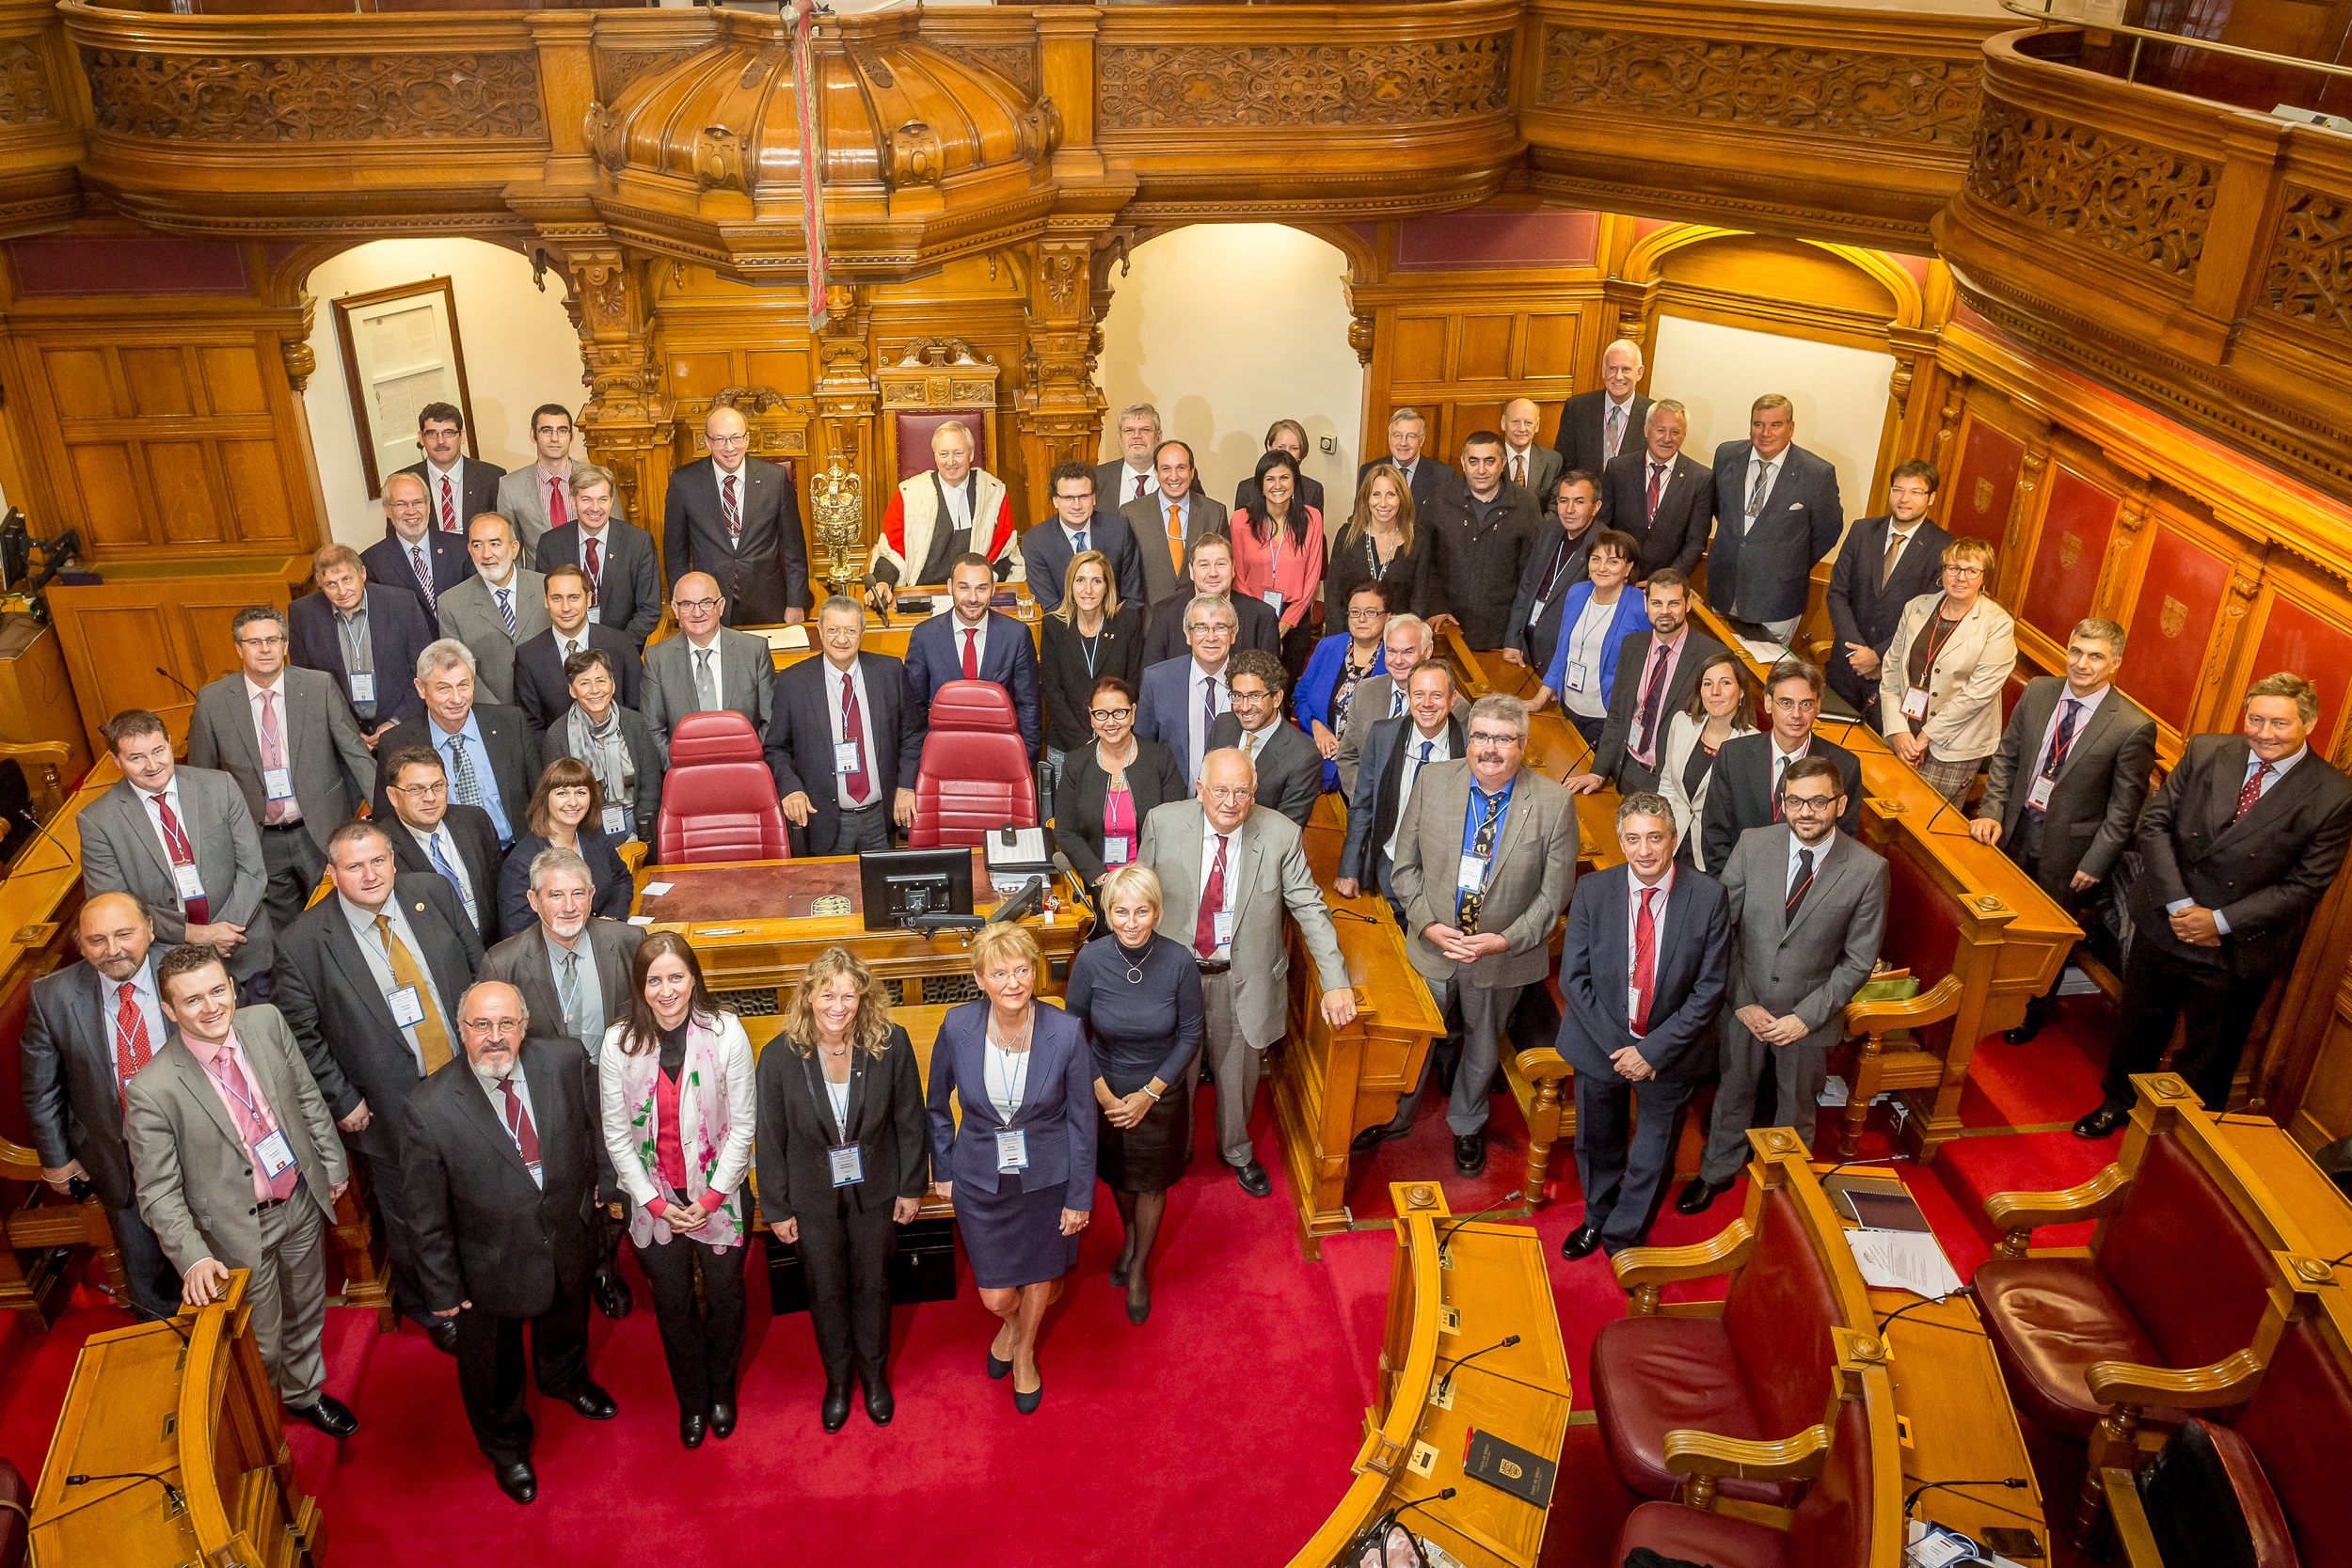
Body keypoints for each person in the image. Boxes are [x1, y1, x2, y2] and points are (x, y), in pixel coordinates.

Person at [2075, 673, 2352, 1137]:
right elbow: (2154, 825)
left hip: (2238, 946)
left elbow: (2305, 886)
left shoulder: (2334, 793)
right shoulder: (2206, 750)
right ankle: (2117, 1103)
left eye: (2279, 723)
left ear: (2310, 722)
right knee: (2139, 1027)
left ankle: (2181, 1141)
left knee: (2212, 1053)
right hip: (2166, 919)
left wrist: (2218, 922)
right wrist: (2182, 906)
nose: (2264, 732)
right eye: (2256, 718)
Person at [126, 943, 355, 1435]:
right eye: (192, 1001)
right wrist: (191, 1257)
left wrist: (331, 1164)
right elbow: (157, 1192)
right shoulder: (152, 1089)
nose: (211, 1008)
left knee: (307, 1312)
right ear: (168, 1009)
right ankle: (259, 1429)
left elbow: (305, 1096)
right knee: (261, 1340)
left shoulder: (266, 1022)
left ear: (232, 986)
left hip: (299, 1200)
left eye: (217, 990)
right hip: (233, 1235)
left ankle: (304, 1394)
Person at [273, 819, 483, 1352]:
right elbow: (301, 1034)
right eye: (354, 866)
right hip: (389, 1103)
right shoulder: (302, 942)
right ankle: (436, 1306)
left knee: (479, 1188)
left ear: (394, 860)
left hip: (468, 1080)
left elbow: (477, 968)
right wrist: (343, 1098)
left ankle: (483, 1283)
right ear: (332, 872)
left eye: (379, 861)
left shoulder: (432, 893)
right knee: (415, 1210)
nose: (370, 875)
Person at [403, 980, 615, 1503]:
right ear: (461, 1029)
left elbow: (597, 1133)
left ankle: (565, 1379)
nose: (494, 1038)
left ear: (524, 1027)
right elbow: (425, 1216)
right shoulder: (428, 1108)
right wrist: (443, 1290)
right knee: (491, 1367)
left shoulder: (565, 1061)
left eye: (505, 1025)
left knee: (567, 1316)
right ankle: (506, 1446)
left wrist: (602, 1200)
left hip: (567, 1234)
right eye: (481, 1025)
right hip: (487, 1266)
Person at [1136, 748, 1356, 1196]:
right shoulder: (1162, 823)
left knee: (1238, 1078)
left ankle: (1235, 1150)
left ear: (1254, 793)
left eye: (1241, 792)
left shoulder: (1280, 834)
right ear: (1200, 790)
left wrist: (1335, 981)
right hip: (1177, 977)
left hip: (1244, 977)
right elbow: (1141, 898)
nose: (1230, 802)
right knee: (1174, 1073)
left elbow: (1310, 909)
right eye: (1220, 790)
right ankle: (1175, 1148)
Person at [1681, 757, 1888, 1213]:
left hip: (1808, 1016)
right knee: (1733, 1092)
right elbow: (1723, 933)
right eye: (1795, 801)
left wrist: (1805, 1019)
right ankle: (1715, 1172)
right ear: (1782, 803)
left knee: (1796, 1109)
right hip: (1745, 1003)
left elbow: (1858, 961)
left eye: (1818, 801)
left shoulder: (1868, 869)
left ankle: (1783, 1192)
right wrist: (1741, 1002)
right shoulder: (1753, 844)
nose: (1806, 812)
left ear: (1840, 803)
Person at [1390, 694, 1578, 1170]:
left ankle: (1467, 1123)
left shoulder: (1554, 805)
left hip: (1501, 954)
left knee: (1483, 1041)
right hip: (1433, 944)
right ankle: (1396, 1115)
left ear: (1523, 744)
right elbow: (1404, 867)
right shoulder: (1433, 781)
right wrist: (1428, 924)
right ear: (1467, 739)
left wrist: (1506, 939)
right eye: (1480, 736)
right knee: (1418, 1037)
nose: (1489, 748)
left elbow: (1553, 898)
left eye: (1502, 738)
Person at [925, 924, 1095, 1413]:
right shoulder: (957, 1026)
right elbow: (937, 1105)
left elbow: (1083, 1122)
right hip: (978, 1175)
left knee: (1041, 1271)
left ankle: (1023, 1352)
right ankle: (1012, 1325)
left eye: (1022, 969)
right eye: (999, 973)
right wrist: (944, 1166)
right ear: (980, 979)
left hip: (1048, 1176)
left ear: (1035, 972)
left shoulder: (1065, 1031)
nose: (1013, 982)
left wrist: (1079, 1196)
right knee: (996, 1294)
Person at [756, 946, 926, 1431]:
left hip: (876, 1190)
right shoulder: (779, 1056)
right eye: (827, 993)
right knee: (825, 1289)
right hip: (810, 1198)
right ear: (808, 996)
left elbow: (910, 1121)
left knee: (874, 1286)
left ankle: (874, 1377)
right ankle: (837, 1379)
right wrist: (777, 1207)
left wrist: (912, 1186)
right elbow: (769, 1138)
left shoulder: (890, 1043)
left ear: (862, 998)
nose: (838, 1005)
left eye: (848, 994)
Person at [1556, 793, 1729, 1260]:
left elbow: (1709, 989)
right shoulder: (1594, 890)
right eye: (1633, 839)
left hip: (1671, 1050)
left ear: (1673, 838)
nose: (1645, 850)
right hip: (1601, 1043)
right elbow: (1575, 978)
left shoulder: (1709, 895)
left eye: (1655, 837)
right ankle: (1595, 1217)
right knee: (1596, 1140)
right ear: (1620, 842)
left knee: (1652, 1154)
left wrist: (1651, 1052)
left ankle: (1623, 1237)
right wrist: (1622, 1048)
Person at [599, 934, 754, 1449]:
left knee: (727, 1297)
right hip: (653, 1204)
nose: (667, 991)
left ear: (693, 978)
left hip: (721, 1196)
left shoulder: (727, 1031)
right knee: (673, 1304)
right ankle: (692, 1400)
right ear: (640, 987)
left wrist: (709, 1200)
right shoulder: (619, 1042)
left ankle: (721, 1392)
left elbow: (743, 1126)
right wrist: (658, 1203)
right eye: (655, 980)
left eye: (676, 977)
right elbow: (618, 1138)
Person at [1971, 618, 2156, 1043]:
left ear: (2115, 663)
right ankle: (1982, 997)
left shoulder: (2132, 726)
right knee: (1995, 918)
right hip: (2011, 830)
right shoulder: (2039, 691)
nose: (2082, 664)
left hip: (2070, 852)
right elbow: (2007, 758)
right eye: (2076, 651)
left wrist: (2096, 863)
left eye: (2095, 657)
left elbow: (2123, 810)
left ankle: (2030, 1008)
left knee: (2045, 935)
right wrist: (1992, 810)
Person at [480, 847, 643, 1323]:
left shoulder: (628, 941)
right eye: (555, 895)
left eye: (577, 894)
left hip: (618, 1089)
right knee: (572, 1188)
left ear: (593, 895)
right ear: (533, 900)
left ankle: (614, 1263)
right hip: (550, 1101)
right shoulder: (504, 962)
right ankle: (591, 1268)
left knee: (619, 1177)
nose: (568, 906)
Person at [21, 894, 183, 1320]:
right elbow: (41, 1089)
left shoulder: (188, 968)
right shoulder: (51, 997)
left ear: (149, 928)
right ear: (79, 943)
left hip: (199, 1139)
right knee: (148, 1276)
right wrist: (56, 1160)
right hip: (116, 1153)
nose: (112, 950)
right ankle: (167, 1350)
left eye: (124, 934)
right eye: (97, 940)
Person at [186, 605, 374, 938]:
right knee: (287, 935)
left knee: (343, 922)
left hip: (321, 830)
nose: (265, 649)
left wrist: (386, 815)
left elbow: (355, 754)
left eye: (273, 640)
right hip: (259, 839)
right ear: (238, 649)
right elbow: (202, 781)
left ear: (286, 645)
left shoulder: (319, 686)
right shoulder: (213, 701)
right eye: (255, 642)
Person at [1067, 865, 1201, 1325]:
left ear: (1156, 912)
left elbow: (1189, 1036)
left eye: (1141, 911)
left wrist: (1149, 1094)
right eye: (1120, 911)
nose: (1130, 921)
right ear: (1107, 912)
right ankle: (1130, 1240)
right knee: (1120, 1178)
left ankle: (1139, 1265)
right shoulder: (1090, 960)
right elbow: (1074, 1033)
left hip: (1161, 1091)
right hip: (1105, 1086)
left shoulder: (1180, 961)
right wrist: (1103, 1094)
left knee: (1151, 1182)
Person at [81, 708, 274, 993]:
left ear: (170, 743)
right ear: (116, 761)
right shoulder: (97, 821)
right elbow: (115, 909)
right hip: (171, 962)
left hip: (245, 949)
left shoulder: (220, 786)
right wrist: (198, 935)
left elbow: (252, 870)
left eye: (158, 751)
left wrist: (226, 931)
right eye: (136, 758)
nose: (152, 765)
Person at [765, 594, 919, 856]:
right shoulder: (793, 682)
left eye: (850, 630)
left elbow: (912, 736)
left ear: (862, 632)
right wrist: (790, 789)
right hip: (824, 818)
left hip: (880, 817)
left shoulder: (890, 672)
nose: (841, 639)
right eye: (833, 630)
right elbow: (775, 748)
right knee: (830, 896)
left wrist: (906, 785)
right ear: (820, 631)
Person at [1564, 568, 1727, 796]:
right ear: (1646, 604)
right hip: (1626, 769)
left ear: (1688, 604)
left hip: (1672, 783)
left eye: (1674, 604)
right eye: (1657, 603)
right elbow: (1617, 715)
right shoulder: (1632, 645)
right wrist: (1599, 770)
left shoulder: (1712, 656)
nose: (1665, 612)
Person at [1879, 537, 2017, 803]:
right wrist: (1897, 730)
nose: (1960, 577)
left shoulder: (1998, 625)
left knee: (1924, 819)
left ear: (1984, 577)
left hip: (1954, 746)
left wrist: (1925, 737)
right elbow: (1892, 669)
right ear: (1942, 572)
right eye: (1953, 568)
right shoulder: (1917, 607)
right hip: (1904, 731)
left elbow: (1977, 694)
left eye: (1971, 570)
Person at [1701, 659, 1865, 870]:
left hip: (1805, 888)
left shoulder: (1845, 766)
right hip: (1740, 884)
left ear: (1818, 706)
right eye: (1786, 703)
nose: (1796, 714)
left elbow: (1842, 847)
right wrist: (1729, 893)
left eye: (1806, 704)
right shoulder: (1733, 755)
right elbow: (1714, 834)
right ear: (1768, 703)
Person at [1706, 393, 1843, 642]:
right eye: (1758, 424)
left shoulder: (1817, 473)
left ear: (1790, 428)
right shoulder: (1726, 455)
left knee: (1766, 678)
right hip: (1723, 589)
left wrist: (1788, 563)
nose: (1765, 433)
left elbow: (1828, 531)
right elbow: (1719, 508)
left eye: (1775, 425)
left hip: (1777, 601)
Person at [1824, 461, 1952, 723]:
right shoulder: (1862, 531)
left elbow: (1927, 618)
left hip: (1892, 672)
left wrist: (1877, 656)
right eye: (1898, 489)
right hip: (1845, 666)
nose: (1904, 499)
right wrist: (1857, 652)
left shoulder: (1943, 547)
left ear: (1932, 498)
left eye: (1916, 492)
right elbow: (1837, 593)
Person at [372, 640, 532, 846]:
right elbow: (386, 820)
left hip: (514, 850)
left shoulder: (509, 723)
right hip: (447, 862)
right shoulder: (396, 742)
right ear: (421, 689)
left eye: (463, 685)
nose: (456, 699)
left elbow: (540, 794)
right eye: (444, 688)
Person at [664, 404, 808, 626]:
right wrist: (682, 605)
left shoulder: (775, 479)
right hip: (707, 605)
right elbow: (675, 553)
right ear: (707, 442)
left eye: (736, 438)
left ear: (748, 439)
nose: (729, 447)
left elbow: (794, 547)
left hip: (768, 602)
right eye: (720, 439)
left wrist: (796, 603)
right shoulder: (684, 482)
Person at [1338, 663, 1466, 909]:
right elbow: (1362, 806)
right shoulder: (1382, 735)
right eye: (1418, 694)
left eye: (1436, 695)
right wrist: (1348, 868)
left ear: (1452, 699)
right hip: (1387, 868)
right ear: (1408, 697)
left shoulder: (1470, 745)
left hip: (1442, 882)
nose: (1426, 703)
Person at [290, 542, 434, 744]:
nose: (342, 591)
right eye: (331, 584)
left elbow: (424, 670)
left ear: (362, 574)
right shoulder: (303, 614)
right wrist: (346, 732)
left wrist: (396, 721)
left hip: (403, 729)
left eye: (347, 579)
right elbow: (304, 684)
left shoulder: (401, 604)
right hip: (342, 740)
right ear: (320, 584)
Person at [904, 552, 1043, 756]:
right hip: (942, 756)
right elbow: (914, 710)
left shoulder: (1016, 635)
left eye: (982, 588)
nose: (972, 598)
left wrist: (1023, 760)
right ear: (950, 586)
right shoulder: (925, 636)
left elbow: (1029, 706)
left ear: (994, 589)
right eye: (964, 587)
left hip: (1000, 755)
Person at [1055, 676, 1185, 894]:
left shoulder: (1160, 758)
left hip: (1152, 884)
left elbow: (1176, 826)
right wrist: (1101, 878)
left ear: (1133, 712)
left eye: (1119, 712)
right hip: (1097, 887)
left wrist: (1143, 879)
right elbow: (1066, 832)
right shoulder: (1075, 764)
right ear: (1091, 717)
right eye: (1101, 714)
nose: (1111, 722)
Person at [869, 419, 1020, 602]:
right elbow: (891, 551)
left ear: (971, 454)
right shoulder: (908, 494)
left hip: (975, 598)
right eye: (943, 454)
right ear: (935, 456)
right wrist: (883, 583)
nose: (951, 462)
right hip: (921, 594)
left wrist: (983, 589)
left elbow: (1003, 552)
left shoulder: (993, 492)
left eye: (958, 453)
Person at [1420, 431, 1539, 654]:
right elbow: (1424, 563)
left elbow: (1530, 577)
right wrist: (1436, 608)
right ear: (1463, 463)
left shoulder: (1525, 505)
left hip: (1500, 637)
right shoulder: (1439, 500)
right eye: (1473, 461)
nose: (1481, 470)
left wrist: (1516, 634)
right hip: (1444, 630)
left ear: (1503, 463)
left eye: (1489, 461)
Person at [537, 648, 665, 848]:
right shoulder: (557, 735)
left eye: (601, 680)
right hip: (584, 830)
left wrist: (642, 832)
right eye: (584, 683)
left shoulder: (635, 724)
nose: (595, 690)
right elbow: (558, 796)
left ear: (612, 685)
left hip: (636, 824)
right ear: (572, 690)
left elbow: (651, 783)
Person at [1534, 530, 1652, 747]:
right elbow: (1563, 650)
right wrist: (1540, 698)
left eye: (1613, 561)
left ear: (1628, 568)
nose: (1602, 567)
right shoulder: (1576, 593)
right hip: (1567, 707)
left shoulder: (1640, 605)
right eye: (1596, 559)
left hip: (1607, 717)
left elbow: (1649, 665)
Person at [380, 744, 504, 943]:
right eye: (416, 789)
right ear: (393, 795)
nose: (430, 798)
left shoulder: (475, 821)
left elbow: (500, 891)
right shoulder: (381, 847)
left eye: (437, 786)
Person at [1040, 549, 1147, 777]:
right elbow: (1052, 691)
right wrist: (1085, 743)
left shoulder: (1127, 623)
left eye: (1096, 581)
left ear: (1107, 586)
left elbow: (1134, 682)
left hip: (1117, 741)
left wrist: (1108, 733)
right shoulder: (1053, 626)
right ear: (1070, 585)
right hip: (1066, 746)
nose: (1088, 590)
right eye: (1080, 580)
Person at [1336, 612, 1468, 798]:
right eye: (1391, 651)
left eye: (1408, 652)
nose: (1398, 661)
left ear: (1427, 651)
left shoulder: (1453, 707)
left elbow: (1452, 776)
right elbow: (1348, 756)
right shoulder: (1365, 691)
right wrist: (1369, 800)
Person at [498, 758, 632, 935]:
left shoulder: (595, 835)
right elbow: (517, 932)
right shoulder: (521, 863)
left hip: (604, 940)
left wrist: (611, 918)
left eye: (581, 792)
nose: (573, 802)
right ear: (545, 798)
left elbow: (621, 879)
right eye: (562, 793)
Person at [533, 463, 661, 648]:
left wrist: (618, 648)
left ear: (611, 501)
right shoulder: (550, 543)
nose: (595, 508)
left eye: (602, 499)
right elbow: (546, 605)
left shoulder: (638, 543)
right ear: (572, 500)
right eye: (586, 499)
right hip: (567, 649)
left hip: (623, 647)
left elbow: (649, 609)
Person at [641, 572, 777, 744]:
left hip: (744, 765)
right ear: (675, 609)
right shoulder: (657, 659)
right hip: (683, 767)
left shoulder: (754, 651)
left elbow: (771, 722)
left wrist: (748, 761)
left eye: (706, 603)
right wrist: (681, 768)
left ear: (720, 606)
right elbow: (652, 731)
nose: (697, 613)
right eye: (687, 604)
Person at [1656, 652, 1758, 873]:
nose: (1715, 692)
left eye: (1726, 683)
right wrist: (1659, 833)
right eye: (1707, 683)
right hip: (1672, 846)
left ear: (1741, 691)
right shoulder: (1682, 722)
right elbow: (1667, 783)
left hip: (1716, 859)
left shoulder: (1754, 744)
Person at [434, 513, 549, 706]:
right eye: (478, 545)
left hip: (549, 709)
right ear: (470, 551)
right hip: (492, 715)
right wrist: (499, 714)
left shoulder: (546, 587)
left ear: (514, 549)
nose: (486, 554)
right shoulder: (451, 603)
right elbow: (459, 670)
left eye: (495, 544)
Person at [1229, 449, 1326, 674]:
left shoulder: (1312, 519)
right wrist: (1263, 620)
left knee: (1286, 686)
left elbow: (1312, 576)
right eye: (1269, 479)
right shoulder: (1241, 520)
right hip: (1251, 616)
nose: (1277, 485)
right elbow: (1238, 576)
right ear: (1260, 485)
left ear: (1295, 482)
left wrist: (1287, 622)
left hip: (1295, 617)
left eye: (1284, 477)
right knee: (1252, 682)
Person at [512, 564, 640, 735]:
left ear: (588, 599)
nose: (565, 608)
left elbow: (636, 709)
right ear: (546, 600)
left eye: (573, 598)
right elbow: (531, 727)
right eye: (557, 598)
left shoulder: (621, 644)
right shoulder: (528, 656)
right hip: (560, 757)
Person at [1503, 470, 1602, 681]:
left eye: (1579, 502)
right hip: (1526, 650)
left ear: (1596, 507)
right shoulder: (1550, 529)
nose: (1569, 510)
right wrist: (1513, 639)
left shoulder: (1604, 546)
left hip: (1562, 660)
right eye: (1563, 501)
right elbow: (1527, 585)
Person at [1597, 400, 1710, 579]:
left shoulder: (1701, 478)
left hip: (1666, 585)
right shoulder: (1618, 468)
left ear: (1684, 435)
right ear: (1646, 430)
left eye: (1675, 432)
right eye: (1660, 430)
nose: (1667, 439)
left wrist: (1667, 580)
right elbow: (1602, 525)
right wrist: (1613, 568)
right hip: (1616, 576)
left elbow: (1696, 542)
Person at [1209, 649, 1321, 828]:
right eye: (1238, 696)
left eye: (1254, 696)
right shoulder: (1224, 725)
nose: (1244, 707)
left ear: (1277, 698)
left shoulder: (1304, 757)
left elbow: (1285, 831)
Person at [1296, 582, 1391, 793]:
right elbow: (1300, 697)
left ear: (1387, 616)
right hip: (1316, 750)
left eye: (1371, 612)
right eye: (1355, 612)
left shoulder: (1394, 658)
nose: (1362, 619)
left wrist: (1349, 748)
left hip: (1364, 764)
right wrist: (1315, 725)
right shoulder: (1328, 647)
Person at [1136, 594, 1236, 786]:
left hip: (1234, 806)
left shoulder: (1252, 683)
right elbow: (1143, 751)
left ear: (1234, 634)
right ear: (1187, 634)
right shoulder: (1157, 680)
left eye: (1220, 627)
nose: (1211, 637)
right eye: (1200, 627)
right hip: (1174, 804)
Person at [1139, 531, 1280, 667]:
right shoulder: (1164, 613)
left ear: (1233, 569)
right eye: (1204, 565)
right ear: (1191, 571)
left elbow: (1270, 682)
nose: (1213, 573)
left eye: (1221, 564)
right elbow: (1152, 679)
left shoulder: (1262, 617)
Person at [1023, 461, 1144, 615]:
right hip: (1064, 632)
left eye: (1083, 496)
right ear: (1055, 500)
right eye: (1068, 498)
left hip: (1116, 629)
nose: (1077, 506)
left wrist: (1108, 634)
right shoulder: (1036, 542)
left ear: (1094, 497)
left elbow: (1132, 598)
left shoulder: (1119, 530)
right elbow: (1052, 606)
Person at [1323, 466, 1429, 637]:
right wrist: (1343, 640)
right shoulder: (1347, 535)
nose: (1383, 503)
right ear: (1366, 498)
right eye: (1376, 494)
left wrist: (1404, 639)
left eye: (1391, 495)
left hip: (1395, 641)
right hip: (1350, 636)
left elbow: (1419, 601)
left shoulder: (1418, 540)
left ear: (1402, 498)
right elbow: (1333, 596)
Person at [497, 404, 616, 555]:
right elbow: (511, 550)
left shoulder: (601, 480)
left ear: (571, 435)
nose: (555, 438)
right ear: (533, 434)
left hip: (591, 575)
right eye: (546, 430)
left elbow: (617, 536)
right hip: (540, 577)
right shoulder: (510, 486)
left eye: (562, 430)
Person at [1126, 438, 1229, 610]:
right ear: (1156, 473)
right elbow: (1128, 579)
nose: (1174, 477)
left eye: (1181, 468)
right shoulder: (1132, 514)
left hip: (1202, 621)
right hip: (1149, 623)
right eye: (1166, 469)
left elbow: (1224, 572)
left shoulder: (1215, 513)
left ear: (1192, 472)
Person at [361, 469, 472, 626]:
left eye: (418, 502)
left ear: (428, 505)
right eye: (401, 504)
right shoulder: (371, 563)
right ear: (387, 509)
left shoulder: (461, 548)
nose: (411, 511)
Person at [398, 400, 503, 538]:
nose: (440, 441)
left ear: (462, 436)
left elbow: (502, 536)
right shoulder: (402, 483)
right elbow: (395, 543)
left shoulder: (491, 477)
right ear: (421, 438)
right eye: (432, 433)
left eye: (448, 432)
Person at [1553, 339, 1652, 479]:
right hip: (1585, 498)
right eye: (1613, 368)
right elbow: (1563, 465)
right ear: (1603, 371)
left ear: (1640, 372)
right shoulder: (1577, 408)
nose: (1618, 376)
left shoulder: (1653, 413)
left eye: (1626, 369)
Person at [1358, 407, 1454, 513]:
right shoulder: (1368, 470)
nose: (1403, 443)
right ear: (1389, 437)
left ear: (1422, 439)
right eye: (1397, 435)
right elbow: (1359, 516)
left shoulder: (1443, 476)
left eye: (1411, 436)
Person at [1235, 418, 1328, 518]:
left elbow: (1316, 531)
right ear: (1269, 447)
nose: (1286, 453)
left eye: (1294, 448)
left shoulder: (1313, 490)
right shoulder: (1246, 488)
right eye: (1281, 447)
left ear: (1301, 453)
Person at [1095, 402, 1164, 512]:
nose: (1137, 436)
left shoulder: (1178, 476)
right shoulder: (1097, 478)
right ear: (1120, 438)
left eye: (1145, 430)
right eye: (1129, 430)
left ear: (1158, 437)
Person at [1499, 397, 1564, 500]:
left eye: (1528, 422)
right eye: (1515, 421)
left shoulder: (1553, 461)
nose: (1522, 429)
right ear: (1503, 423)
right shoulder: (1489, 458)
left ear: (1537, 425)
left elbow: (1555, 506)